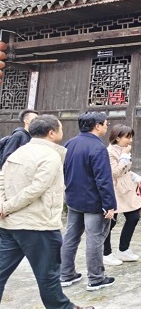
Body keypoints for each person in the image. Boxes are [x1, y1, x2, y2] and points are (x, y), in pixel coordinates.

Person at [0, 115, 94, 309]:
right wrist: (6, 207)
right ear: (52, 132)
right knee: (48, 276)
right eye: (60, 128)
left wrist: (3, 205)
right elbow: (36, 189)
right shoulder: (50, 156)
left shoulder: (18, 152)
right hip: (38, 225)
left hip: (10, 225)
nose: (62, 131)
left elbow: (2, 180)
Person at [61, 112, 117, 292]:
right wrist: (109, 204)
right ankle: (96, 278)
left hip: (73, 198)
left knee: (71, 236)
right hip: (93, 201)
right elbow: (103, 179)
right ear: (97, 125)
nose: (107, 126)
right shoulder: (98, 147)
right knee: (95, 239)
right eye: (106, 123)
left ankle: (65, 274)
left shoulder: (70, 143)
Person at [103, 124, 141, 266]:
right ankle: (106, 253)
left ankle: (123, 249)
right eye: (128, 137)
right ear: (117, 138)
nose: (130, 140)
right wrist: (125, 156)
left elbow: (125, 170)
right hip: (114, 190)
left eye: (131, 137)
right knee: (110, 222)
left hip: (126, 188)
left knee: (133, 217)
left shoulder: (124, 149)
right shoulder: (110, 152)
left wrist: (134, 177)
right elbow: (114, 172)